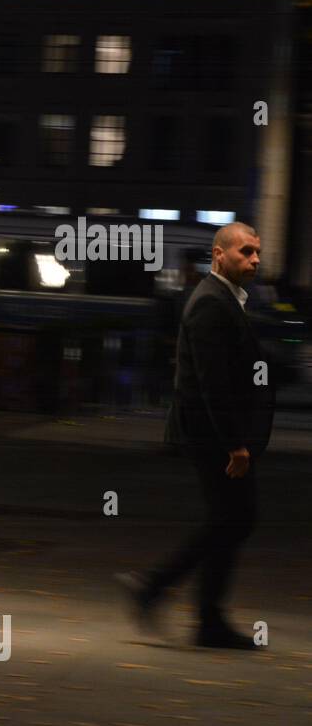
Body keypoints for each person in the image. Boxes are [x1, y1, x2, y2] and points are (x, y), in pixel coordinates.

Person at [115, 222, 274, 649]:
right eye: (245, 252)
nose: (255, 259)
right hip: (210, 434)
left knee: (233, 519)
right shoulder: (210, 304)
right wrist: (235, 444)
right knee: (233, 518)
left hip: (213, 431)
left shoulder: (225, 300)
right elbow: (211, 383)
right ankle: (165, 592)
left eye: (257, 251)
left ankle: (193, 609)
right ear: (219, 255)